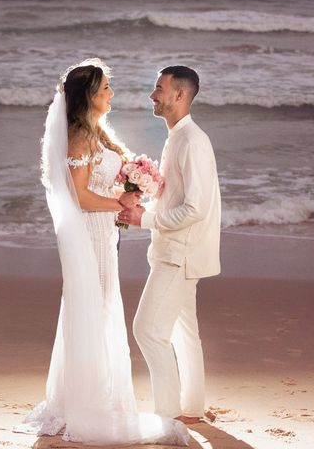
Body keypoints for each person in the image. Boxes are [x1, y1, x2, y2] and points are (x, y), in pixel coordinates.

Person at [14, 59, 189, 446]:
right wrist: (121, 204)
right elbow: (78, 196)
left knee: (101, 308)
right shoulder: (79, 137)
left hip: (104, 233)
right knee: (97, 310)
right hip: (91, 235)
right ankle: (88, 403)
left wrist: (132, 183)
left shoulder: (96, 132)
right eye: (106, 87)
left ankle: (93, 396)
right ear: (90, 96)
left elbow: (99, 184)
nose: (112, 93)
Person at [118, 66, 221, 424]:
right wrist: (144, 201)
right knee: (183, 332)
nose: (152, 95)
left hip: (180, 255)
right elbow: (177, 198)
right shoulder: (177, 136)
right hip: (173, 250)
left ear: (180, 95)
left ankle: (168, 415)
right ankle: (192, 409)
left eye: (158, 88)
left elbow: (195, 208)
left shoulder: (191, 140)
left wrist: (143, 220)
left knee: (147, 330)